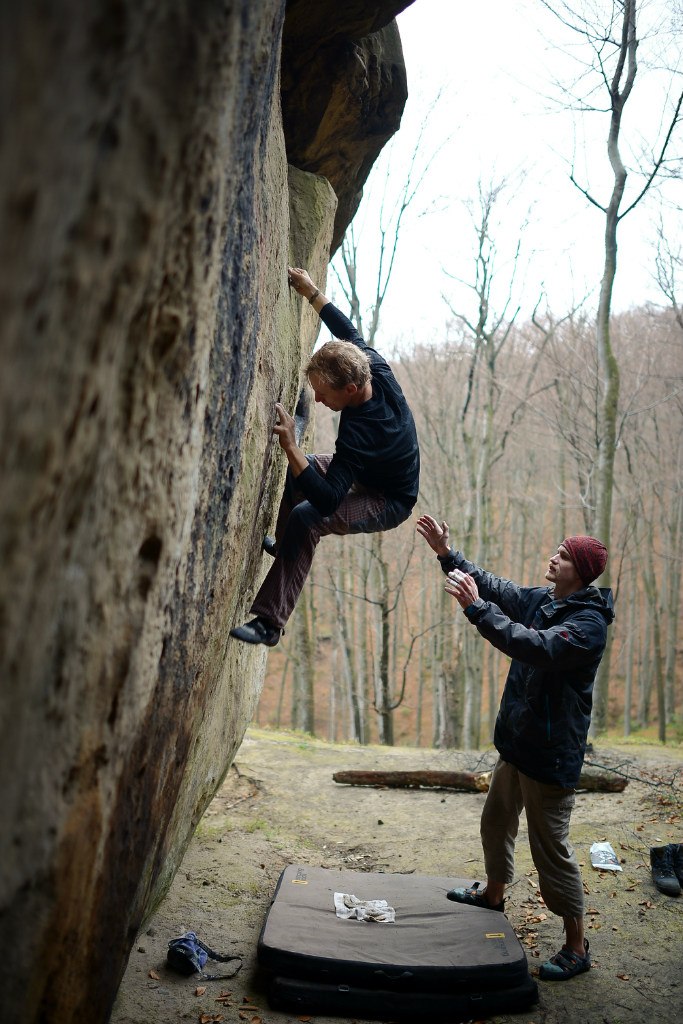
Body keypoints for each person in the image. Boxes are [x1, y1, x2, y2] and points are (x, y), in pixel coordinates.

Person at [416, 514, 614, 982]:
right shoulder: (548, 599)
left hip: (551, 757)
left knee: (551, 851)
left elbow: (534, 646)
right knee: (496, 820)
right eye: (558, 550)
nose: (554, 557)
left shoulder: (587, 625)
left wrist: (477, 610)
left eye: (564, 556)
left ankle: (576, 944)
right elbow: (496, 587)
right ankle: (494, 894)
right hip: (518, 743)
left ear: (582, 571)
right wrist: (447, 555)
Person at [230, 267, 420, 647]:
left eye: (323, 394)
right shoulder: (369, 363)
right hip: (370, 469)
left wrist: (291, 447)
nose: (317, 400)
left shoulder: (360, 433)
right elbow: (348, 332)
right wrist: (312, 292)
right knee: (300, 475)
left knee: (308, 515)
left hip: (389, 499)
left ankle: (270, 624)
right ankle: (286, 546)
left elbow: (328, 500)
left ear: (350, 389)